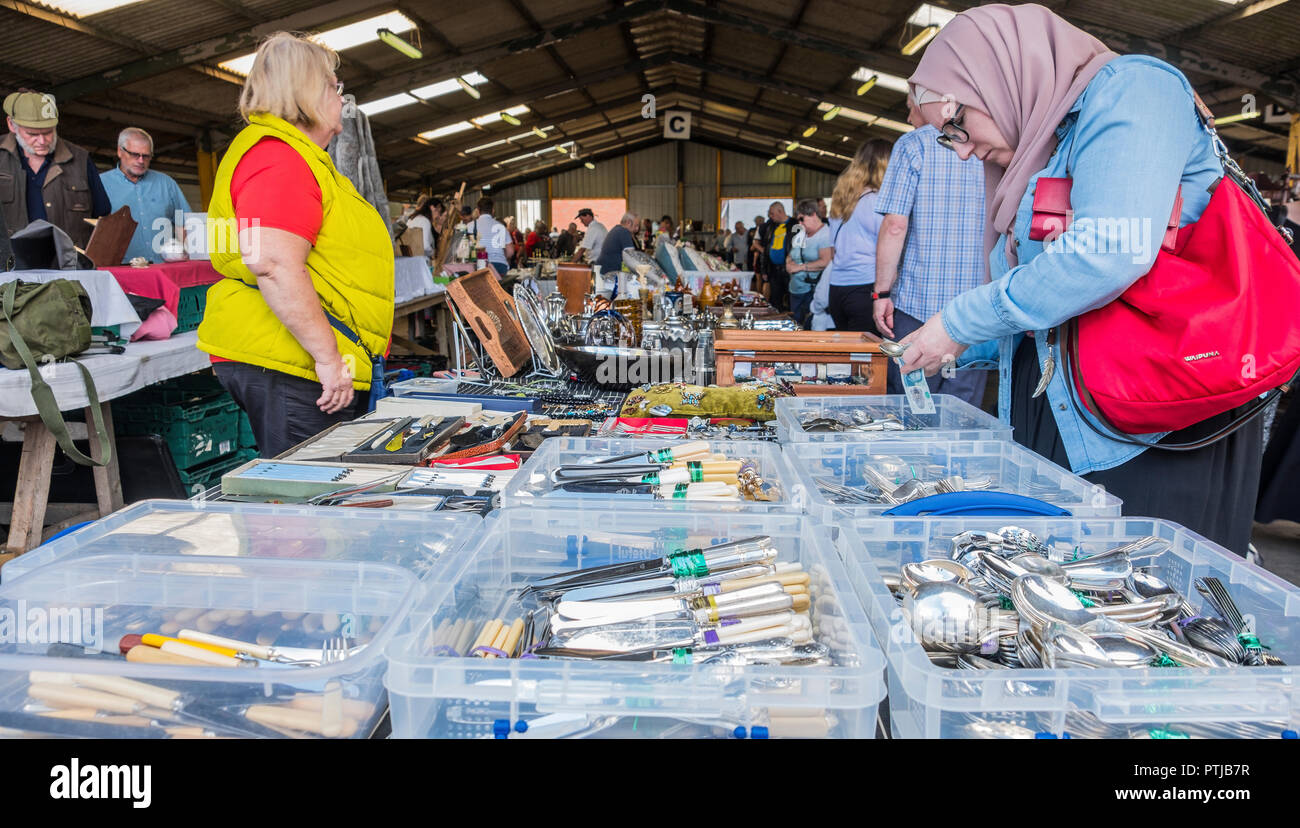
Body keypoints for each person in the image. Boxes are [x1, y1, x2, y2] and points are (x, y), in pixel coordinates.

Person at [895, 4, 1265, 553]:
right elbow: (1047, 299)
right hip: (1077, 409)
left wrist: (959, 320)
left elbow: (1107, 253)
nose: (965, 151)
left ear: (998, 77)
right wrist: (955, 345)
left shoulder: (1136, 90)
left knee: (1144, 597)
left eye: (956, 126)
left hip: (1152, 418)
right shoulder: (1044, 145)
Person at [197, 32, 393, 458]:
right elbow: (274, 264)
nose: (340, 98)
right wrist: (328, 358)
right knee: (308, 506)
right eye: (333, 87)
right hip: (293, 366)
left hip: (298, 360)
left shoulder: (301, 159)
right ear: (305, 94)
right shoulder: (279, 159)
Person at [873, 96, 987, 407]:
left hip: (916, 307)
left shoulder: (913, 145)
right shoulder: (991, 141)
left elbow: (895, 225)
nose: (910, 115)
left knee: (912, 404)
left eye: (910, 104)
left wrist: (881, 293)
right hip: (974, 312)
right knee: (961, 409)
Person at [0, 90, 110, 249]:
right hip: (10, 266)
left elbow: (102, 213)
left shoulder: (80, 159)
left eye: (49, 132)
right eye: (32, 134)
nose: (42, 141)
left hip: (67, 265)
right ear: (11, 124)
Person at [826, 140, 891, 333]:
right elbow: (890, 251)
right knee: (870, 360)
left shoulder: (841, 202)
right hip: (866, 289)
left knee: (850, 359)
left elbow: (833, 252)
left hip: (837, 289)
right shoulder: (878, 202)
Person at [101, 127, 192, 263]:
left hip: (164, 269)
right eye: (134, 154)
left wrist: (186, 254)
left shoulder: (166, 184)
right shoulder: (100, 184)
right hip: (121, 270)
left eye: (146, 156)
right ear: (120, 151)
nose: (141, 161)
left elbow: (184, 224)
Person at [785, 200, 833, 328]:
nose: (799, 223)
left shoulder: (825, 235)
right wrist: (788, 262)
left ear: (813, 214)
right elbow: (791, 253)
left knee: (809, 326)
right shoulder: (801, 234)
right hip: (796, 290)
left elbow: (826, 262)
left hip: (812, 293)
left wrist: (799, 267)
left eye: (802, 219)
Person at [758, 201, 797, 311]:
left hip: (790, 269)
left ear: (780, 211)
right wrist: (764, 269)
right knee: (775, 301)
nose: (770, 216)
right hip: (773, 270)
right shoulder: (770, 227)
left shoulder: (795, 224)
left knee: (791, 300)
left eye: (772, 213)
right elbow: (765, 249)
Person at [596, 212, 638, 296]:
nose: (637, 228)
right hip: (609, 277)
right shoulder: (624, 232)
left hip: (604, 274)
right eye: (636, 225)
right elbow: (631, 256)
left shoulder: (616, 229)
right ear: (629, 223)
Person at [474, 196, 512, 276]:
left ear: (478, 211)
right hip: (499, 266)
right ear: (493, 210)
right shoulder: (501, 227)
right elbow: (510, 252)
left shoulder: (470, 226)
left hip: (478, 266)